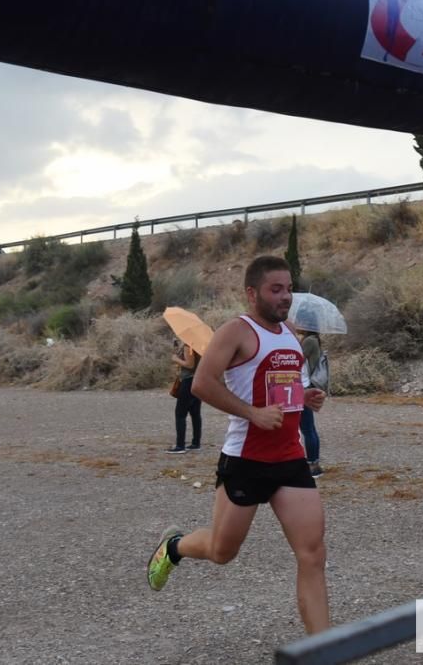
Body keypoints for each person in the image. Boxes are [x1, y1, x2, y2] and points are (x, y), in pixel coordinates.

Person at [146, 255, 330, 635]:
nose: (285, 297)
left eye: (289, 288)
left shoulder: (291, 334)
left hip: (291, 459)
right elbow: (202, 384)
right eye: (275, 289)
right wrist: (252, 413)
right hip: (246, 459)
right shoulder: (236, 331)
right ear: (252, 293)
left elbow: (281, 384)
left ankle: (323, 649)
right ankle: (175, 547)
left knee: (312, 555)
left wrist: (305, 395)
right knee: (222, 552)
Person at [168, 341, 201, 454]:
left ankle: (180, 446)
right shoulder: (200, 345)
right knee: (195, 413)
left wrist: (176, 359)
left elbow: (190, 364)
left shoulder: (189, 346)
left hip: (188, 381)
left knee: (180, 414)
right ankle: (196, 443)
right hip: (198, 380)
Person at [299, 330, 323, 477]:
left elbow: (296, 360)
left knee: (307, 429)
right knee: (309, 428)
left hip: (303, 386)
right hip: (306, 384)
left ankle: (313, 465)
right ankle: (314, 463)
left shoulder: (309, 341)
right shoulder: (313, 339)